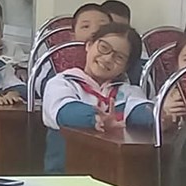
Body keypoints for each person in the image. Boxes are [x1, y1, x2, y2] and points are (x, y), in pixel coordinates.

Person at [41, 22, 152, 173]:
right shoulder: (62, 83)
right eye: (104, 48)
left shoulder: (128, 91)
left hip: (113, 174)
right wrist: (95, 118)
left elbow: (139, 108)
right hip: (66, 173)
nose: (107, 59)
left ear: (126, 67)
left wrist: (158, 116)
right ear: (89, 45)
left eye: (119, 57)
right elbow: (63, 110)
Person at [31, 3, 113, 97]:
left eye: (102, 26)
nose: (94, 31)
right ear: (73, 35)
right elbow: (42, 85)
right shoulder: (57, 59)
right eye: (86, 26)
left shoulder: (115, 58)